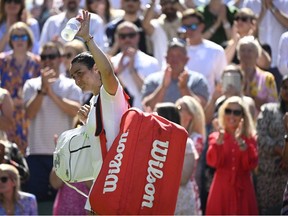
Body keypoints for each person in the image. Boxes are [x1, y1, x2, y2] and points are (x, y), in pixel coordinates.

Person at [69, 10, 130, 211]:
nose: (77, 80)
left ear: (95, 69)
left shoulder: (111, 92)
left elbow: (108, 71)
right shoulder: (95, 101)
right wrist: (89, 123)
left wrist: (88, 39)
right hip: (100, 183)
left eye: (80, 73)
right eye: (73, 77)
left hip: (117, 183)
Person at [22, 41, 83, 214]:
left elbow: (75, 111)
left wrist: (51, 93)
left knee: (62, 201)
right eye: (44, 57)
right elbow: (29, 113)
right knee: (39, 203)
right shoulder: (31, 85)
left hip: (63, 154)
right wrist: (42, 90)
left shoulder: (71, 85)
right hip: (35, 153)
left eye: (52, 56)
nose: (48, 60)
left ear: (61, 59)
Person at [205, 96, 258, 215]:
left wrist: (241, 142)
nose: (232, 116)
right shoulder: (215, 136)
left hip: (243, 188)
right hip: (221, 189)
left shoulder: (249, 138)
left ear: (243, 116)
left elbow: (251, 164)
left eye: (237, 112)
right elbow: (212, 162)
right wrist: (219, 141)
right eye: (228, 111)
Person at [0, 22, 41, 154]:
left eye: (22, 37)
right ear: (10, 40)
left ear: (28, 39)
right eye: (15, 37)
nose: (19, 40)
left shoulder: (37, 62)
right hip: (7, 117)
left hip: (30, 116)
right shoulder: (2, 61)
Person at [153, 102, 200, 215]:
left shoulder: (186, 144)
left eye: (155, 116)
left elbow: (183, 178)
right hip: (155, 201)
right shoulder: (151, 142)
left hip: (180, 204)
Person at [142, 39, 209, 112]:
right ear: (166, 59)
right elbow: (148, 107)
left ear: (186, 59)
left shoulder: (198, 80)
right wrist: (163, 87)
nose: (174, 60)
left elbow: (200, 108)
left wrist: (184, 88)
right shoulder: (152, 79)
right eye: (171, 55)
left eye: (179, 56)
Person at [256, 75, 288, 214]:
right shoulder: (268, 110)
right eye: (285, 87)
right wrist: (281, 151)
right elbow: (261, 137)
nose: (287, 91)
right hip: (269, 175)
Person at [110, 21, 160, 109]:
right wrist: (118, 72)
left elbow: (151, 92)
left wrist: (132, 70)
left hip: (144, 112)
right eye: (123, 36)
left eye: (131, 35)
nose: (127, 39)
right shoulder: (112, 62)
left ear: (138, 36)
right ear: (117, 38)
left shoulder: (151, 62)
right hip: (119, 112)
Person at [181, 8, 227, 93]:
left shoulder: (216, 51)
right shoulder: (177, 51)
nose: (189, 30)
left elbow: (222, 82)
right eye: (185, 27)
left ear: (201, 27)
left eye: (193, 26)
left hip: (207, 104)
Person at [175, 96, 204, 215]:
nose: (177, 111)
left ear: (191, 116)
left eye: (181, 108)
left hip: (187, 193)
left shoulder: (196, 139)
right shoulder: (171, 135)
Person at [39, 0, 107, 50]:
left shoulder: (94, 20)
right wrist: (54, 47)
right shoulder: (51, 23)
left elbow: (101, 49)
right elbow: (42, 49)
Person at [237, 35, 278, 112]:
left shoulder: (267, 78)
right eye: (242, 50)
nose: (246, 54)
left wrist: (251, 97)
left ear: (257, 54)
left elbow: (273, 107)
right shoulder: (232, 74)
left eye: (250, 50)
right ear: (238, 54)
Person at [142, 0, 186, 67]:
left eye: (171, 3)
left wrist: (178, 4)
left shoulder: (186, 24)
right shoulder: (156, 25)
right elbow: (145, 25)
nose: (168, 6)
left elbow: (193, 20)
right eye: (164, 3)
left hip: (185, 68)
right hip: (162, 70)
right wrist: (153, 2)